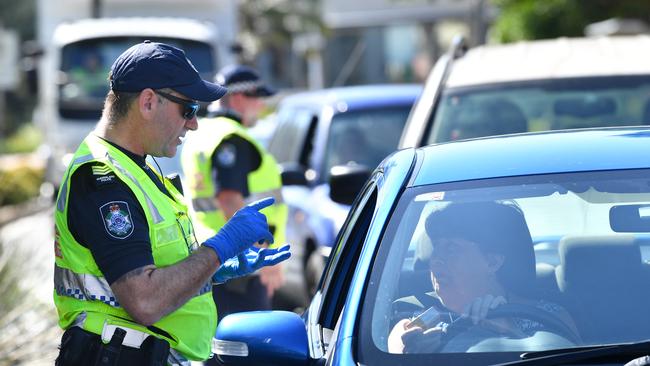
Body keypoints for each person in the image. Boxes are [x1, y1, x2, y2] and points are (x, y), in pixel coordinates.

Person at [53, 41, 291, 366]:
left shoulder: (135, 165)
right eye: (188, 109)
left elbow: (158, 264)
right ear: (149, 102)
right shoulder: (102, 180)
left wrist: (215, 270)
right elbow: (145, 300)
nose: (193, 123)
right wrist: (221, 247)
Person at [388, 201, 579, 354]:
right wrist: (414, 353)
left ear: (493, 262)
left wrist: (510, 333)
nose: (436, 259)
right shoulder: (415, 317)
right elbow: (394, 351)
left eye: (452, 248)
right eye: (436, 246)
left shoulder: (549, 315)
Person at [180, 65, 288, 324]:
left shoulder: (203, 133)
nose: (262, 106)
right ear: (239, 98)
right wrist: (264, 257)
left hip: (212, 257)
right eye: (258, 98)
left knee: (219, 345)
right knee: (247, 347)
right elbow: (230, 200)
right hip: (239, 266)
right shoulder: (231, 139)